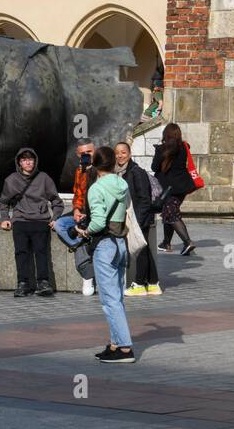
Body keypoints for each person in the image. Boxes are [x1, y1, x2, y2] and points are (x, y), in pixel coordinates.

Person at [78, 146, 136, 363]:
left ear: (95, 164)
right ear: (113, 163)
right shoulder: (122, 184)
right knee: (117, 297)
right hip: (121, 242)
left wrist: (85, 230)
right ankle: (114, 343)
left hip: (105, 245)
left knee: (109, 300)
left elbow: (99, 222)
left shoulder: (96, 188)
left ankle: (125, 349)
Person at [0, 148, 62, 297]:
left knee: (41, 252)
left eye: (30, 159)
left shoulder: (44, 178)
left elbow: (56, 201)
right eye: (24, 160)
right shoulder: (11, 180)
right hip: (20, 220)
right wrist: (5, 219)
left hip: (40, 221)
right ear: (19, 163)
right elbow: (3, 202)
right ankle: (22, 283)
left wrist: (55, 218)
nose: (28, 162)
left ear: (35, 161)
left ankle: (43, 282)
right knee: (21, 253)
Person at [52, 139, 98, 296]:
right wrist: (77, 210)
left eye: (89, 152)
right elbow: (77, 194)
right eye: (82, 154)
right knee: (59, 224)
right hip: (81, 213)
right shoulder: (80, 170)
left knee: (82, 233)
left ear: (95, 151)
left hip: (96, 215)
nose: (86, 156)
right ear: (78, 155)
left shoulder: (100, 169)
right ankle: (78, 241)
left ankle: (87, 276)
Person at [116, 141, 160, 296]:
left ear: (130, 154)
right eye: (117, 153)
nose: (120, 155)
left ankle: (139, 284)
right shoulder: (121, 172)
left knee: (140, 249)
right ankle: (154, 283)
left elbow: (144, 199)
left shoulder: (136, 171)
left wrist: (139, 222)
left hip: (140, 217)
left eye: (123, 152)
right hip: (134, 216)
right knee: (144, 248)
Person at [152, 123, 198, 256]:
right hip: (182, 187)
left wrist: (160, 152)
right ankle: (166, 243)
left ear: (165, 135)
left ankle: (187, 242)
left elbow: (155, 167)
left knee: (171, 213)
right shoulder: (184, 147)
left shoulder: (162, 149)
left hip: (168, 189)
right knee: (169, 211)